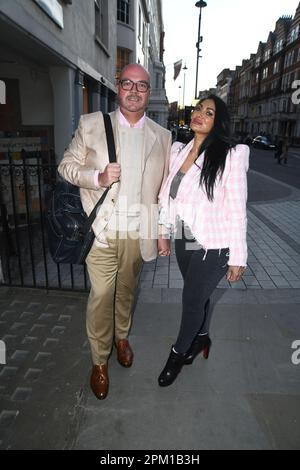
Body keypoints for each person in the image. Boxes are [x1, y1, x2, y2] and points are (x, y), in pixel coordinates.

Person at [58, 64, 171, 399]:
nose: (134, 91)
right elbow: (66, 166)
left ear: (149, 92)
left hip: (138, 234)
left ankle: (122, 337)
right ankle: (99, 361)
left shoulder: (162, 136)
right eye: (127, 84)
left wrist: (162, 230)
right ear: (117, 87)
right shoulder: (92, 124)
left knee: (126, 292)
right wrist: (98, 178)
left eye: (141, 85)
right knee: (101, 296)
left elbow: (164, 192)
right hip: (101, 233)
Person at [157, 95, 249, 387]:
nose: (199, 114)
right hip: (185, 236)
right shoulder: (178, 151)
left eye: (209, 112)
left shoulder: (230, 156)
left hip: (215, 242)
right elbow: (167, 196)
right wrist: (163, 231)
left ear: (217, 122)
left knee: (191, 301)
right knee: (199, 295)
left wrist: (238, 256)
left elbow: (237, 208)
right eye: (198, 109)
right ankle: (202, 338)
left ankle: (177, 354)